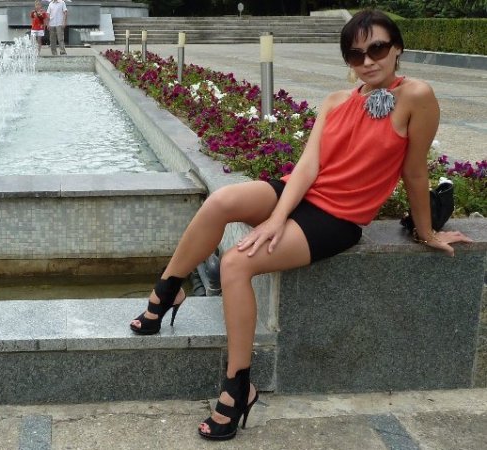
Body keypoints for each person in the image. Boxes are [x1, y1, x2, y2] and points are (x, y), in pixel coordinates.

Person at [129, 9, 472, 441]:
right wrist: (277, 217)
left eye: (378, 49)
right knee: (221, 201)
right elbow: (308, 166)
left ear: (397, 48)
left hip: (338, 216)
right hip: (301, 193)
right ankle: (168, 289)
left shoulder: (417, 96)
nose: (368, 61)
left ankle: (238, 385)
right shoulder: (336, 100)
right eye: (356, 55)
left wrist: (427, 231)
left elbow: (415, 171)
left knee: (235, 263)